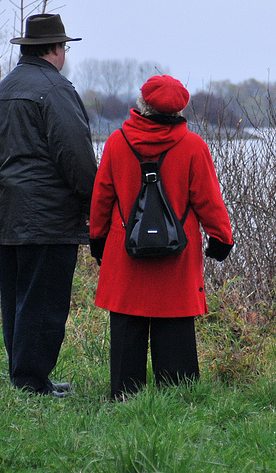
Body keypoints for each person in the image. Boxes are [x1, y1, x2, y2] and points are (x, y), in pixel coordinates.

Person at [89, 75, 234, 400]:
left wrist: (97, 239)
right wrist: (222, 239)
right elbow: (209, 201)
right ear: (180, 110)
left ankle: (125, 401)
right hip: (177, 261)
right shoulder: (194, 147)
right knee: (176, 336)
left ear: (142, 105)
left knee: (127, 333)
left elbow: (101, 198)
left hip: (126, 257)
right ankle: (177, 403)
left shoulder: (116, 143)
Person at [0, 13, 98, 397]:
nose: (65, 54)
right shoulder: (55, 90)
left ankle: (25, 376)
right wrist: (93, 202)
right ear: (55, 49)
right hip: (49, 216)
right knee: (45, 301)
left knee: (17, 298)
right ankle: (32, 382)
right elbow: (78, 160)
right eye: (64, 47)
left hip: (9, 211)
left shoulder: (1, 91)